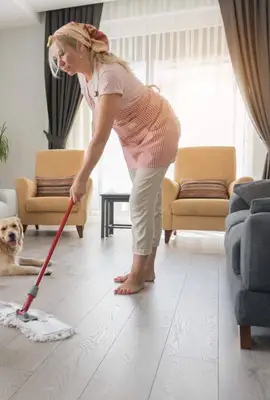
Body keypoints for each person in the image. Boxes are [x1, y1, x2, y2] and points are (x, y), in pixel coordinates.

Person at [47, 22, 181, 295]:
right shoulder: (84, 77)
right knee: (150, 203)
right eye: (56, 58)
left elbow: (99, 136)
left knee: (140, 202)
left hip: (159, 130)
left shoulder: (108, 74)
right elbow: (99, 123)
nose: (60, 62)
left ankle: (137, 273)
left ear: (82, 48)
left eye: (63, 54)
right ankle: (147, 269)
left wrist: (81, 178)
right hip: (133, 138)